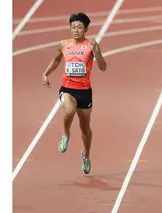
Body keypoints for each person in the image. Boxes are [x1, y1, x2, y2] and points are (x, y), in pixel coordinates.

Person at [42, 12, 107, 175]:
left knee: (85, 129)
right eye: (73, 27)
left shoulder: (92, 44)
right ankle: (66, 134)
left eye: (79, 27)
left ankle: (86, 155)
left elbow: (103, 67)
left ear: (85, 29)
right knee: (69, 111)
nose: (76, 30)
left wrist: (96, 52)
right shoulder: (64, 44)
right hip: (67, 88)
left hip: (84, 92)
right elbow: (57, 60)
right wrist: (46, 73)